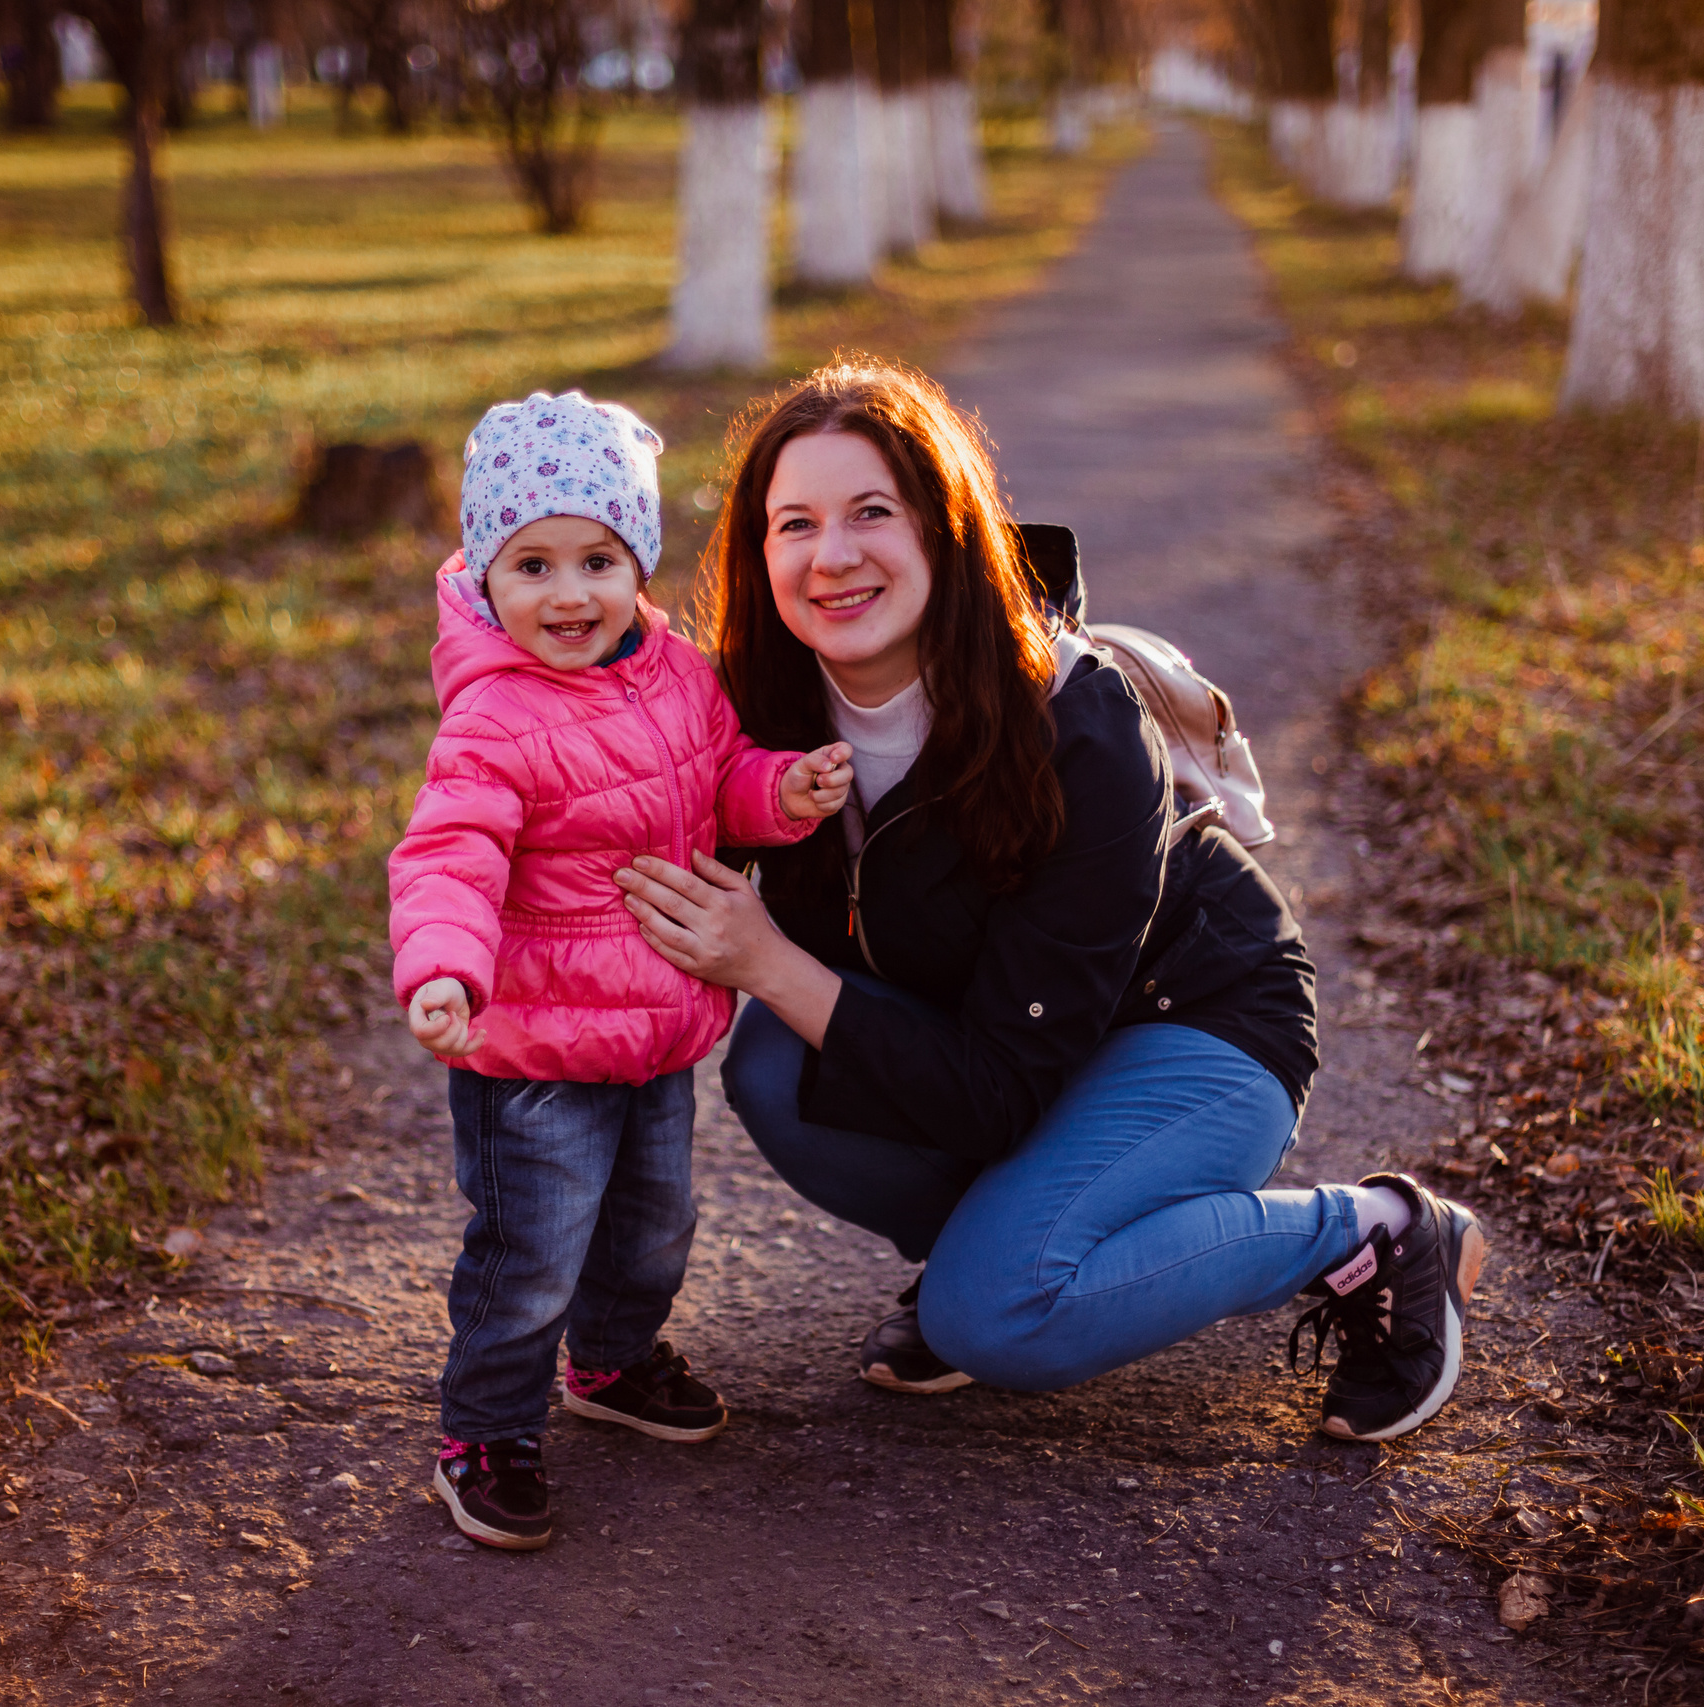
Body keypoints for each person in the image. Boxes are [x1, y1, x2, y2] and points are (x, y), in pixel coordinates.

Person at [613, 359, 1485, 1444]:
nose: (831, 557)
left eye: (870, 512)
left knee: (999, 1315)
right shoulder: (755, 708)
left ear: (945, 525)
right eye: (794, 525)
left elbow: (999, 1086)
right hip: (991, 1039)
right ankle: (1004, 1244)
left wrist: (768, 964)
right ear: (759, 554)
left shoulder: (1077, 720)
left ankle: (1377, 1232)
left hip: (1193, 1026)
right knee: (775, 1068)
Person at [388, 390, 854, 1550]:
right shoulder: (491, 717)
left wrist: (778, 795)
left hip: (655, 1032)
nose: (568, 595)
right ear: (484, 576)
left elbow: (722, 777)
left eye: (598, 560)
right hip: (533, 1051)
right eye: (532, 565)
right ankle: (485, 1429)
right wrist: (442, 970)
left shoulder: (682, 676)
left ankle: (611, 1361)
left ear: (636, 562)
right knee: (530, 1248)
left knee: (652, 1225)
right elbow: (450, 852)